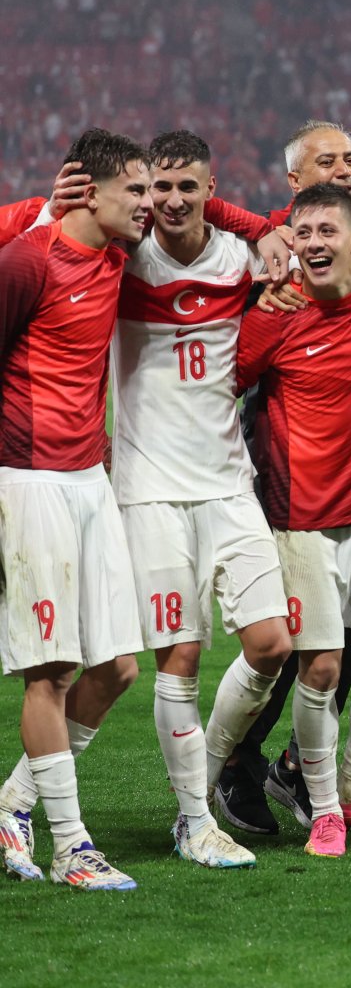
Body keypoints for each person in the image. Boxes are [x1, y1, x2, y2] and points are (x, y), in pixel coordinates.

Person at [112, 131, 295, 867]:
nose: (173, 200)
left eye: (188, 186)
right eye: (161, 187)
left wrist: (272, 233)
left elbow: (309, 244)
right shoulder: (124, 258)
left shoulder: (243, 260)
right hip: (152, 491)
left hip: (228, 484)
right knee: (180, 656)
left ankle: (208, 772)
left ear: (210, 188)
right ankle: (193, 821)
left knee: (271, 644)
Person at [234, 184, 351, 857]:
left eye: (328, 231)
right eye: (304, 232)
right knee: (320, 669)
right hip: (305, 518)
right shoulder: (274, 313)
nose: (315, 242)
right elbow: (219, 390)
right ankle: (322, 811)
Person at [0, 129, 151, 889]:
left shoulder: (116, 260)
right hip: (30, 482)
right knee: (52, 672)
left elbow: (202, 210)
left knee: (117, 667)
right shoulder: (27, 262)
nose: (148, 204)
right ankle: (72, 849)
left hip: (90, 481)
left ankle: (13, 804)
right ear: (88, 190)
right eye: (136, 190)